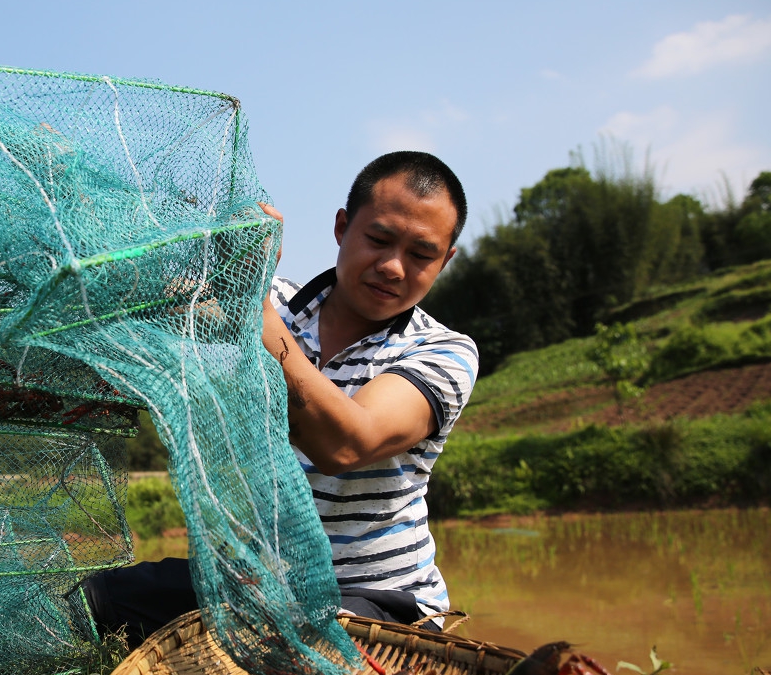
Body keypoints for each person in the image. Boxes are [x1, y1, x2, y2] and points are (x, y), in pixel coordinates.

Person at [83, 151, 477, 645]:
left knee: (300, 647)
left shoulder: (444, 351)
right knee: (101, 600)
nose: (393, 267)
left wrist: (252, 310)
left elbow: (347, 444)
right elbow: (157, 296)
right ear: (342, 228)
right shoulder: (276, 305)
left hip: (372, 594)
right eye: (378, 240)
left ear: (445, 261)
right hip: (255, 583)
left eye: (421, 254)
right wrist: (212, 250)